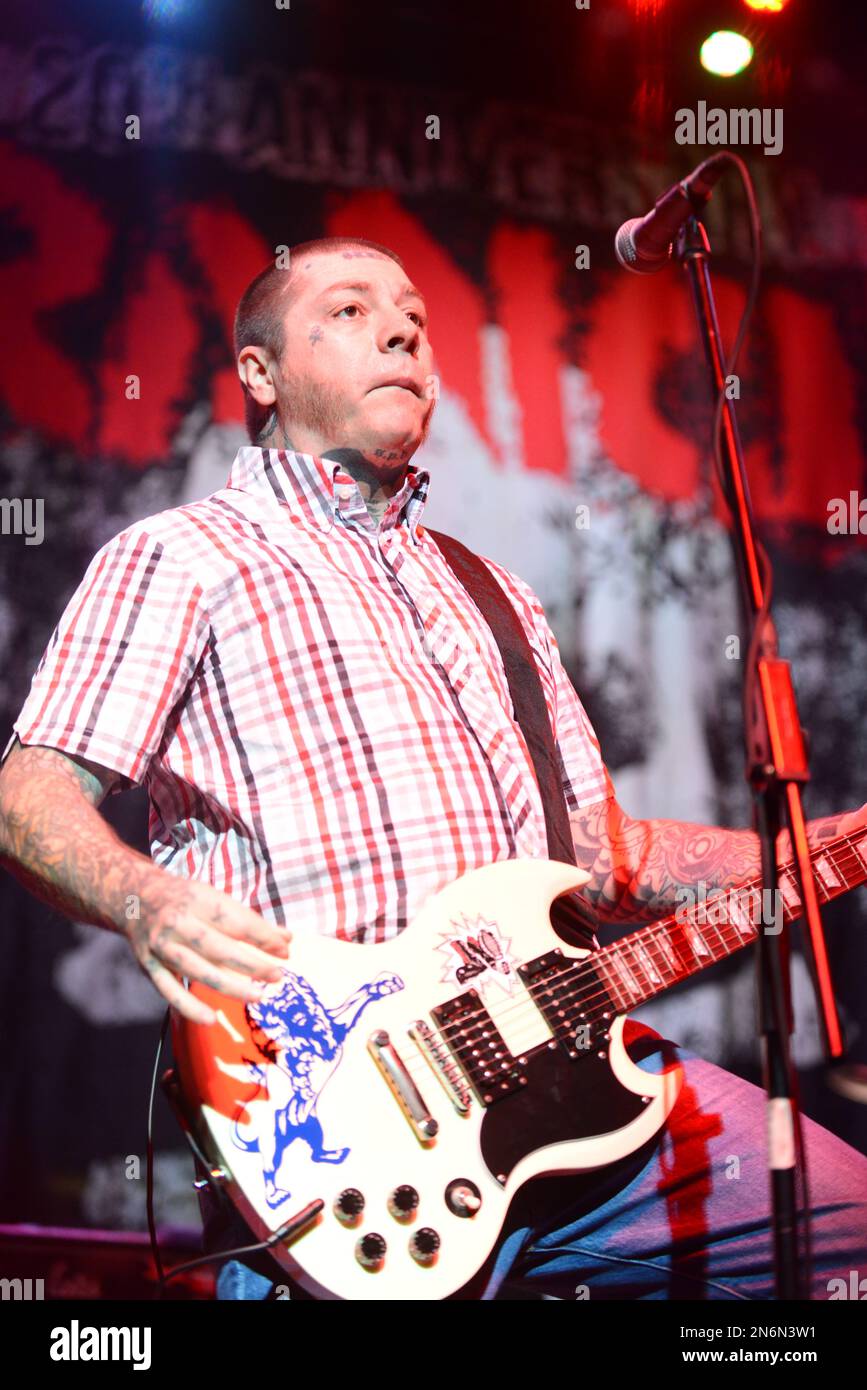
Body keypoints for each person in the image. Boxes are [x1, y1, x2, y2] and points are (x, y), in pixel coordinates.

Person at [1, 235, 865, 1301]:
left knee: (845, 1231)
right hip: (348, 1137)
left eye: (413, 312)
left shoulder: (493, 590)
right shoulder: (182, 556)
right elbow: (28, 791)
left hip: (575, 1089)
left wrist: (827, 849)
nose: (405, 327)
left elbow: (605, 855)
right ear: (261, 374)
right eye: (352, 311)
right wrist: (144, 897)